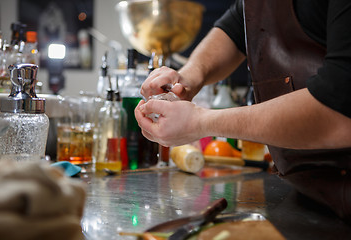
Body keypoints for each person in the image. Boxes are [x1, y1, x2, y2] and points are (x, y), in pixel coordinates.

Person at [135, 0, 351, 222]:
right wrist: (187, 78)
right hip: (311, 198)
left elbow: (337, 110)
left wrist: (201, 122)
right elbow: (237, 26)